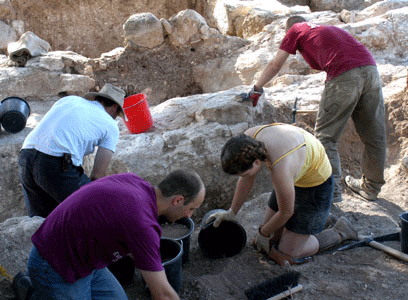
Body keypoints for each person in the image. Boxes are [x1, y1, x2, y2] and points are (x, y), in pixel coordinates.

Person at [244, 16, 386, 202]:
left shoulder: (295, 29)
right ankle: (371, 189)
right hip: (371, 71)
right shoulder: (327, 30)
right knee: (374, 136)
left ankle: (331, 192)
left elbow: (275, 65)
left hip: (344, 75)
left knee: (326, 137)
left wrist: (257, 88)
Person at [25, 169, 205, 300]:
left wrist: (150, 260)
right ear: (178, 200)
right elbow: (163, 294)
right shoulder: (142, 224)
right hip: (53, 265)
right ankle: (30, 291)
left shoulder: (134, 181)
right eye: (191, 209)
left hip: (85, 261)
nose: (189, 216)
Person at [208, 123, 359, 265]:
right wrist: (231, 212)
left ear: (255, 163)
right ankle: (319, 220)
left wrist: (262, 233)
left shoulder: (280, 168)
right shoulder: (246, 143)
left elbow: (286, 212)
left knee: (287, 253)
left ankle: (340, 230)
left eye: (245, 173)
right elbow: (247, 179)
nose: (243, 177)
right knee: (272, 239)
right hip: (294, 176)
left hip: (316, 184)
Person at [18, 83, 126, 217]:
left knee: (40, 222)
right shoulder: (111, 125)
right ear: (114, 108)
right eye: (117, 114)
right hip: (55, 163)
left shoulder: (69, 100)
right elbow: (97, 175)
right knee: (96, 208)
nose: (115, 118)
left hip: (26, 155)